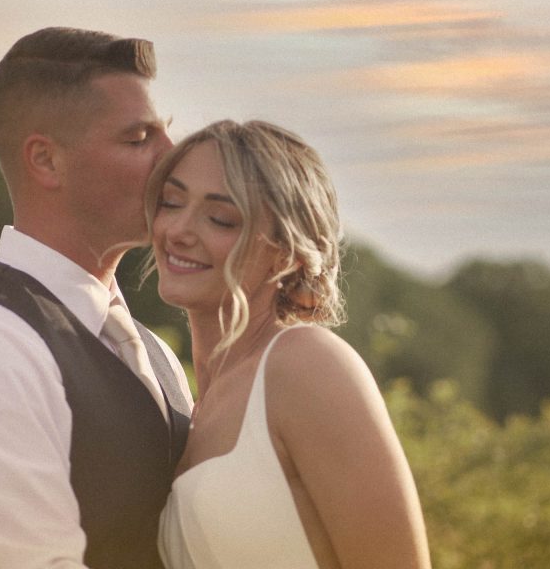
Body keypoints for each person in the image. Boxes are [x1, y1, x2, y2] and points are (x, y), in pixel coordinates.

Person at [0, 27, 193, 569]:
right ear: (46, 162)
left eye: (166, 133)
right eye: (139, 139)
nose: (173, 157)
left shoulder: (152, 354)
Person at [148, 120, 432, 569]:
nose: (179, 230)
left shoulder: (305, 365)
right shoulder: (190, 406)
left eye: (220, 218)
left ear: (287, 251)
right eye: (171, 202)